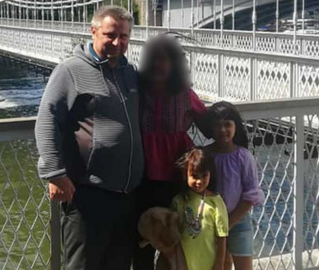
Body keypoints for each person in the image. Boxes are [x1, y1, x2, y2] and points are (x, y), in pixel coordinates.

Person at [34, 6, 144, 270]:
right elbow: (48, 119)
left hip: (127, 195)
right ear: (93, 31)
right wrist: (54, 172)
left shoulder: (130, 74)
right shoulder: (70, 70)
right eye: (110, 35)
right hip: (88, 194)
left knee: (118, 265)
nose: (118, 43)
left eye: (125, 36)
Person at [133, 34, 210, 269]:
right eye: (154, 59)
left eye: (164, 59)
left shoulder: (185, 95)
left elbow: (208, 126)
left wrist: (234, 145)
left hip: (177, 175)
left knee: (175, 239)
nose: (158, 64)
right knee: (142, 238)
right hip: (141, 174)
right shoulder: (137, 91)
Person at [205, 102, 264, 270]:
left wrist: (228, 223)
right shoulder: (205, 154)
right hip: (210, 223)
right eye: (217, 125)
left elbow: (251, 195)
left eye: (227, 124)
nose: (222, 130)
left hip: (238, 221)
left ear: (236, 126)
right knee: (220, 265)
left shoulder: (243, 157)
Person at [171, 148, 228, 270]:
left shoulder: (216, 201)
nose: (199, 181)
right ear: (185, 174)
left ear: (210, 174)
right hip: (184, 260)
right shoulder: (178, 201)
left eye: (204, 176)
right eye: (194, 176)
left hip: (209, 261)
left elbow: (222, 236)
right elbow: (174, 234)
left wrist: (219, 263)